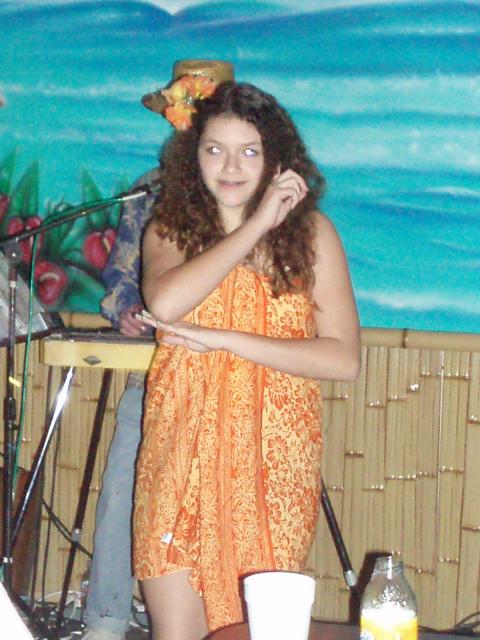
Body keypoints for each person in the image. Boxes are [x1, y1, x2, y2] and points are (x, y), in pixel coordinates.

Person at [134, 68, 361, 639]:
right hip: (181, 454)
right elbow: (166, 301)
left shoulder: (313, 236)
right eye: (214, 150)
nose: (231, 167)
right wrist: (257, 224)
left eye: (249, 152)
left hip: (271, 464)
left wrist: (224, 339)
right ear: (194, 157)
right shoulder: (170, 229)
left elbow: (343, 360)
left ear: (276, 160)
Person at [82, 167, 158, 640]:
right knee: (120, 492)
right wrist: (125, 310)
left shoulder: (255, 189)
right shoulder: (152, 189)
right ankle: (106, 619)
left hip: (230, 374)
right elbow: (119, 276)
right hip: (154, 369)